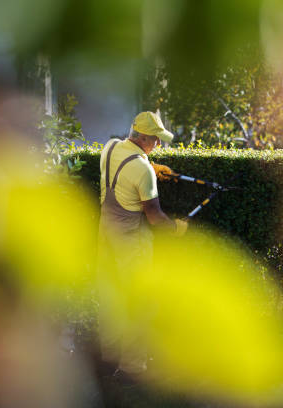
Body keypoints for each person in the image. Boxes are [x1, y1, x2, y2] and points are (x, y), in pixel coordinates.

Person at [96, 111, 187, 379]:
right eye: (156, 140)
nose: (158, 144)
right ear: (144, 137)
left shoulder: (110, 147)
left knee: (110, 301)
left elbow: (125, 171)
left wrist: (148, 163)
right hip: (131, 245)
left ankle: (108, 360)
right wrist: (178, 228)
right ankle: (131, 368)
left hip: (105, 238)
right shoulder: (143, 171)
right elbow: (156, 218)